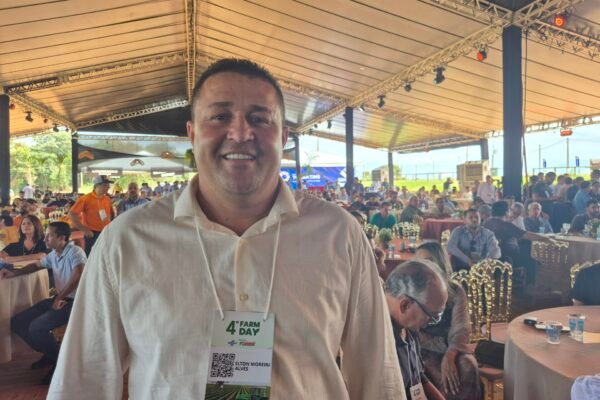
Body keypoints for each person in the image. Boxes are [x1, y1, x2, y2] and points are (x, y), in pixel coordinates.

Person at [48, 58, 405, 399]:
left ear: (283, 137)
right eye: (220, 116)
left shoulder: (338, 235)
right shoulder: (126, 241)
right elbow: (83, 381)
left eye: (259, 118)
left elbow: (379, 377)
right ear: (192, 134)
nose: (241, 132)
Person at [1, 222, 86, 384]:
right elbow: (36, 265)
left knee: (36, 327)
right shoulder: (54, 254)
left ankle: (60, 363)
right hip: (60, 298)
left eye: (49, 236)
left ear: (61, 238)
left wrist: (60, 297)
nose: (45, 239)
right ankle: (52, 354)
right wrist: (13, 273)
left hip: (75, 301)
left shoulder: (75, 251)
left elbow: (79, 274)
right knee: (18, 322)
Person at [414, 242, 481, 400]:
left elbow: (461, 327)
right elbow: (411, 330)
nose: (423, 266)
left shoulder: (455, 290)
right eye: (418, 261)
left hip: (452, 347)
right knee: (433, 370)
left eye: (428, 261)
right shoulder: (412, 291)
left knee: (468, 365)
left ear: (440, 263)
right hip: (419, 347)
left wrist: (450, 355)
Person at [384, 260, 448, 400]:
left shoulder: (410, 328)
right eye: (431, 315)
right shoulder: (380, 338)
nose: (432, 323)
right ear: (405, 305)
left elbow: (419, 377)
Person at [483, 201, 549, 267]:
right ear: (506, 212)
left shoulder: (487, 222)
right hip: (507, 258)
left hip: (489, 257)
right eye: (510, 210)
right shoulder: (506, 225)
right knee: (532, 260)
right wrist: (547, 238)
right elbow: (527, 235)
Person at [69, 175, 115, 256]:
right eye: (105, 185)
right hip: (91, 234)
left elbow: (112, 214)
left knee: (105, 256)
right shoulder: (85, 199)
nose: (108, 187)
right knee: (90, 257)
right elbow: (72, 214)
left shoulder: (107, 199)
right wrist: (84, 230)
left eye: (108, 185)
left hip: (105, 232)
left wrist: (111, 228)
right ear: (97, 185)